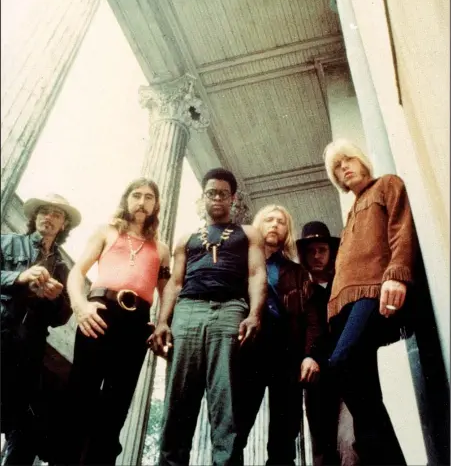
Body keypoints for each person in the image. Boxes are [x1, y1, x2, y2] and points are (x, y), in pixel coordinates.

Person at [151, 167, 267, 466]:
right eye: (211, 193)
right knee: (178, 399)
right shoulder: (185, 238)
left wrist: (254, 314)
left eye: (223, 193)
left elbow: (256, 275)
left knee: (225, 399)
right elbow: (175, 284)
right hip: (188, 310)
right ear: (203, 197)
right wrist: (163, 321)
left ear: (233, 198)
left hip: (230, 309)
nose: (217, 198)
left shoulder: (248, 233)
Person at [61, 178, 170, 465]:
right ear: (126, 200)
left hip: (136, 325)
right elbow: (77, 271)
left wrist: (162, 323)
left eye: (149, 197)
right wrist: (80, 305)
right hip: (99, 313)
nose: (142, 201)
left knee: (117, 402)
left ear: (156, 205)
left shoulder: (162, 249)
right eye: (136, 195)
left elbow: (168, 290)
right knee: (80, 393)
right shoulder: (106, 232)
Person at [323, 138, 418, 466]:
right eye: (336, 167)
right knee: (361, 390)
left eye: (347, 160)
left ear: (361, 159)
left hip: (374, 291)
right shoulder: (350, 214)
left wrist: (396, 273)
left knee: (342, 362)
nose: (343, 168)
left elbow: (401, 230)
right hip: (343, 305)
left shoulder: (386, 185)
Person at [239, 205, 323, 466]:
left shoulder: (298, 273)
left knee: (284, 435)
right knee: (235, 426)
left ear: (287, 231)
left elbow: (312, 319)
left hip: (286, 351)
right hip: (248, 348)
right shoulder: (239, 263)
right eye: (269, 220)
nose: (275, 225)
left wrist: (310, 354)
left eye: (281, 221)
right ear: (258, 225)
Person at [1, 193, 81, 465]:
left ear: (63, 225)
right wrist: (19, 277)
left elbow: (62, 317)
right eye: (44, 211)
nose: (49, 217)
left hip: (30, 349)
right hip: (2, 334)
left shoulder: (62, 268)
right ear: (35, 217)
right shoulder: (8, 242)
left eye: (56, 214)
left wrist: (56, 298)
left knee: (24, 427)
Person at [297, 221, 359, 466]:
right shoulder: (300, 291)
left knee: (351, 442)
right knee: (322, 447)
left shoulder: (344, 285)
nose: (317, 256)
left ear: (331, 252)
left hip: (348, 373)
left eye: (322, 249)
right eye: (311, 251)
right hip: (316, 379)